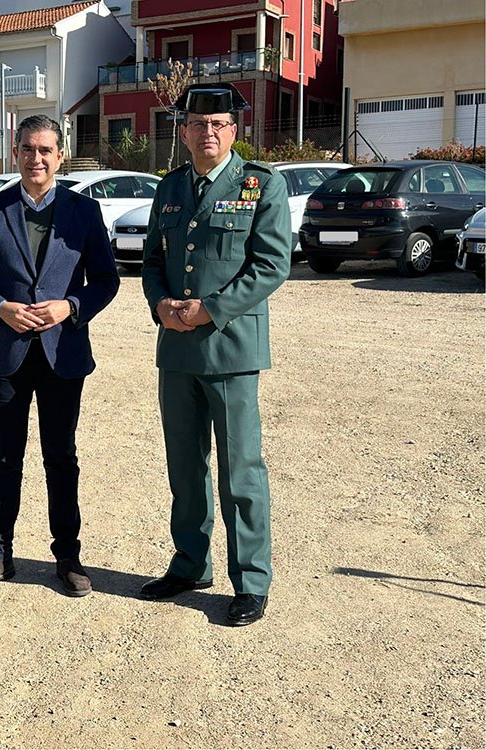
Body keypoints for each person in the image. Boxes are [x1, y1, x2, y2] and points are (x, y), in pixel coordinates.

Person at [140, 84, 291, 626]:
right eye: (199, 124)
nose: (208, 132)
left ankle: (251, 581)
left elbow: (271, 265)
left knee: (240, 471)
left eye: (219, 124)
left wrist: (210, 309)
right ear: (183, 132)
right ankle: (190, 565)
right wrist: (159, 303)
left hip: (231, 349)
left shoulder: (261, 184)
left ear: (234, 130)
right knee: (185, 467)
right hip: (177, 350)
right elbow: (152, 259)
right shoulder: (170, 187)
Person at [0, 115, 120, 598]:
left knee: (61, 457)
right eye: (28, 149)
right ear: (16, 153)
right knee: (5, 457)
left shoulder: (84, 212)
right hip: (4, 356)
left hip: (61, 355)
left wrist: (70, 306)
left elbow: (106, 281)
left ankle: (67, 556)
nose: (36, 158)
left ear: (60, 156)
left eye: (45, 150)